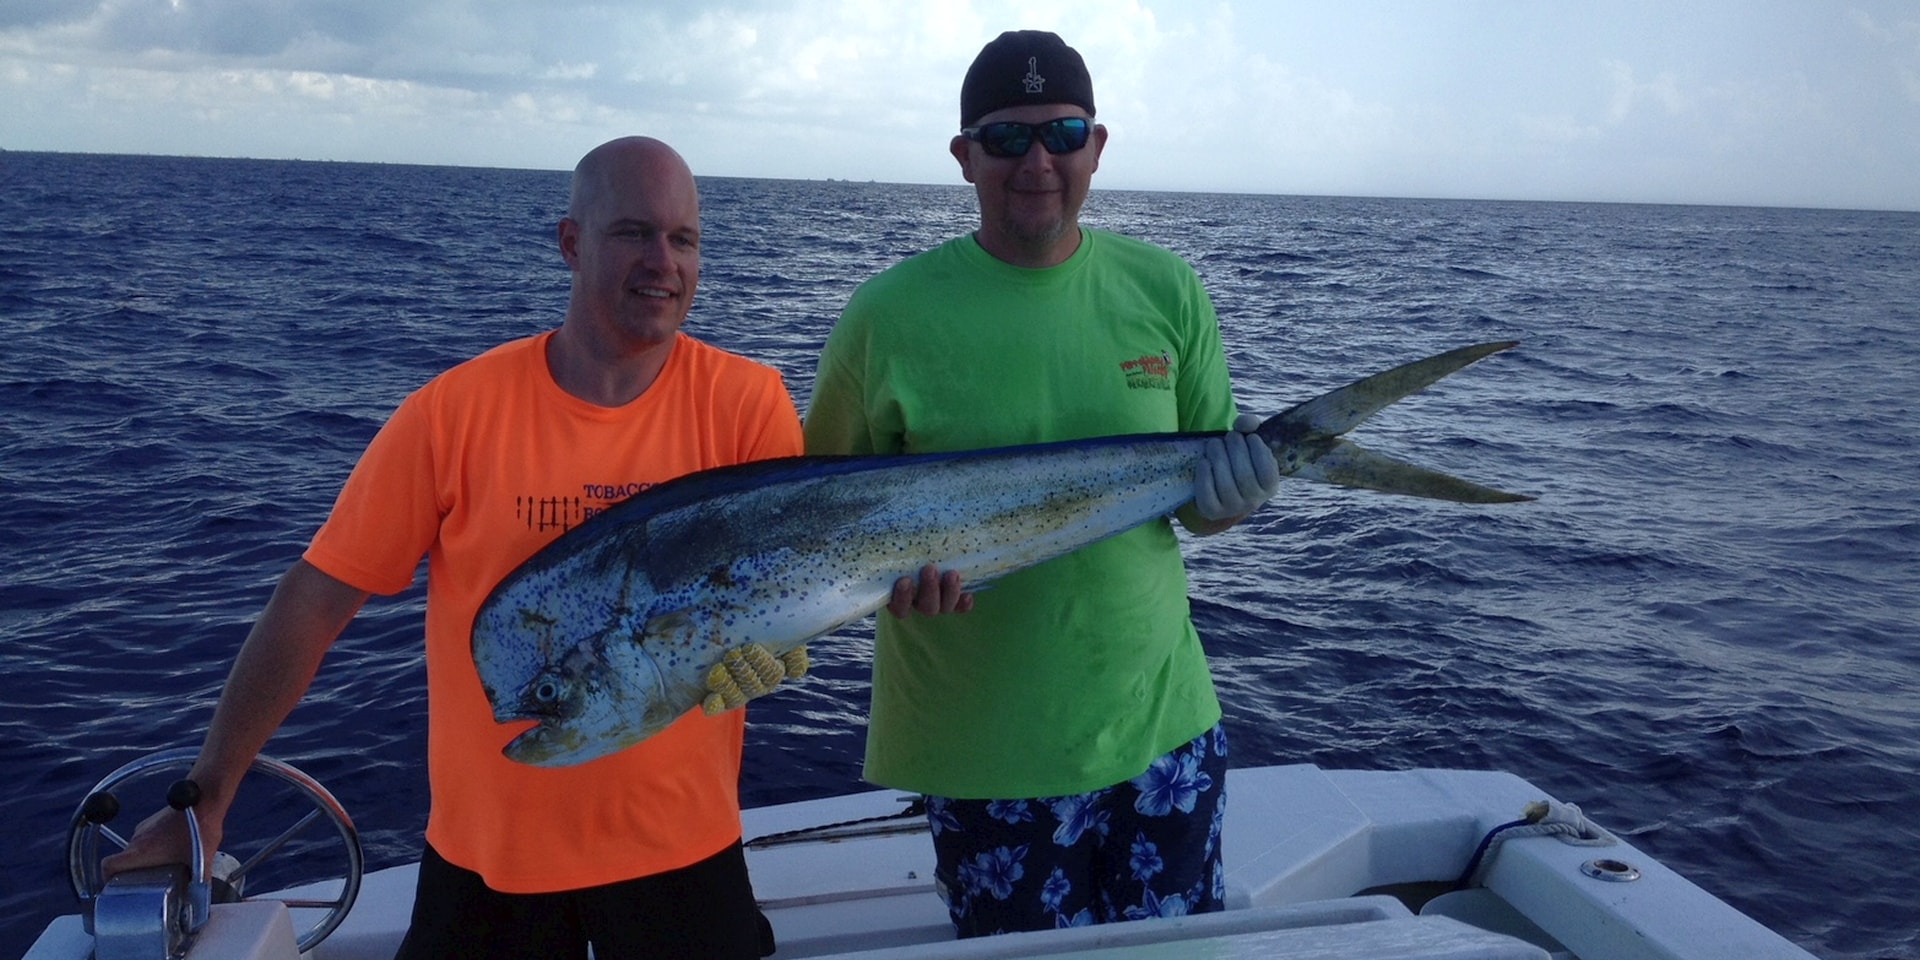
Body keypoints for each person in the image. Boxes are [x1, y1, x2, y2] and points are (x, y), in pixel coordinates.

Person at [101, 136, 826, 959]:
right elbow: (315, 600)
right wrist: (208, 795)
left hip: (685, 852)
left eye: (684, 238)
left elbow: (783, 593)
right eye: (633, 232)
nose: (663, 262)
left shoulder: (747, 404)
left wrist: (777, 653)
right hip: (490, 863)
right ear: (571, 242)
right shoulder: (454, 413)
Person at [803, 30, 1282, 937]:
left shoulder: (1168, 289)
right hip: (981, 750)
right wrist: (887, 587)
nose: (1037, 163)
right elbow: (821, 524)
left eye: (1062, 134)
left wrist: (1237, 501)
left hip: (1165, 730)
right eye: (1006, 138)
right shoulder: (884, 315)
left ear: (1097, 146)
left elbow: (1201, 505)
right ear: (964, 157)